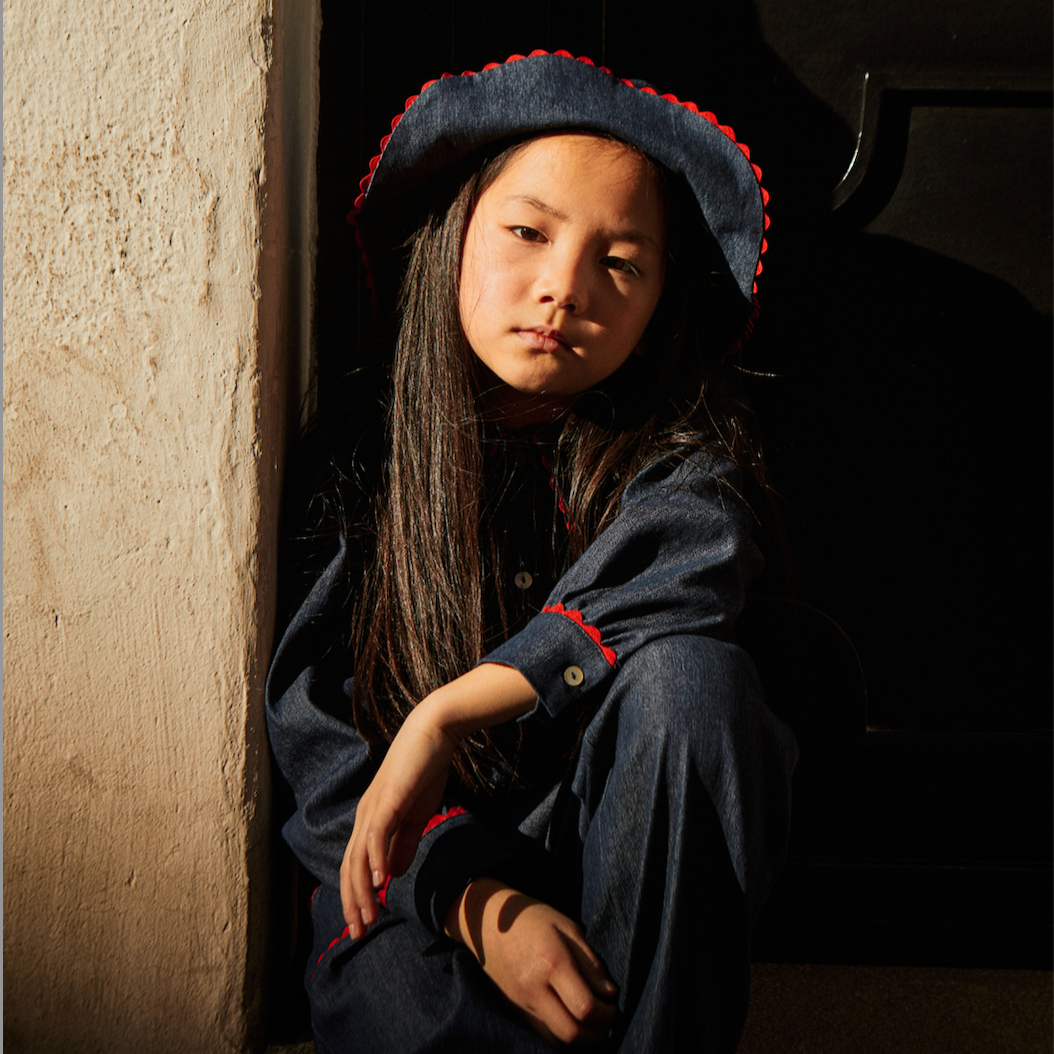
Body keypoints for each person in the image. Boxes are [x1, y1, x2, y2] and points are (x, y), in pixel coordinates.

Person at [266, 49, 798, 1053]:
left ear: (660, 300)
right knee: (404, 1005)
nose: (563, 289)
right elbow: (317, 740)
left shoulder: (682, 451)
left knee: (696, 680)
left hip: (620, 854)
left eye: (620, 262)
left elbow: (681, 577)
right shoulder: (362, 452)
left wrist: (448, 711)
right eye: (527, 232)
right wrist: (476, 902)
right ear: (456, 232)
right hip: (422, 876)